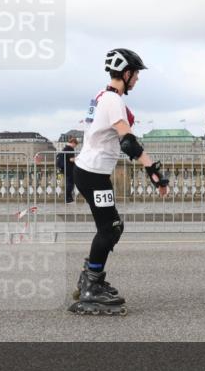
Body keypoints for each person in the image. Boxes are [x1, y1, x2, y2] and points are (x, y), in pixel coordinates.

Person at [69, 48, 169, 316]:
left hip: (91, 172)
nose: (137, 78)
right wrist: (154, 171)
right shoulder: (112, 100)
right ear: (126, 73)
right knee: (110, 228)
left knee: (111, 227)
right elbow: (127, 141)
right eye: (136, 74)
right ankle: (91, 287)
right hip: (92, 174)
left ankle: (92, 278)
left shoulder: (103, 96)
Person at [56, 136, 79, 203]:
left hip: (65, 168)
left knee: (69, 183)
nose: (75, 146)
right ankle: (68, 198)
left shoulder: (65, 148)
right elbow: (71, 159)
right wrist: (79, 158)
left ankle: (68, 198)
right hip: (69, 168)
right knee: (70, 183)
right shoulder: (70, 148)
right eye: (75, 144)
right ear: (73, 143)